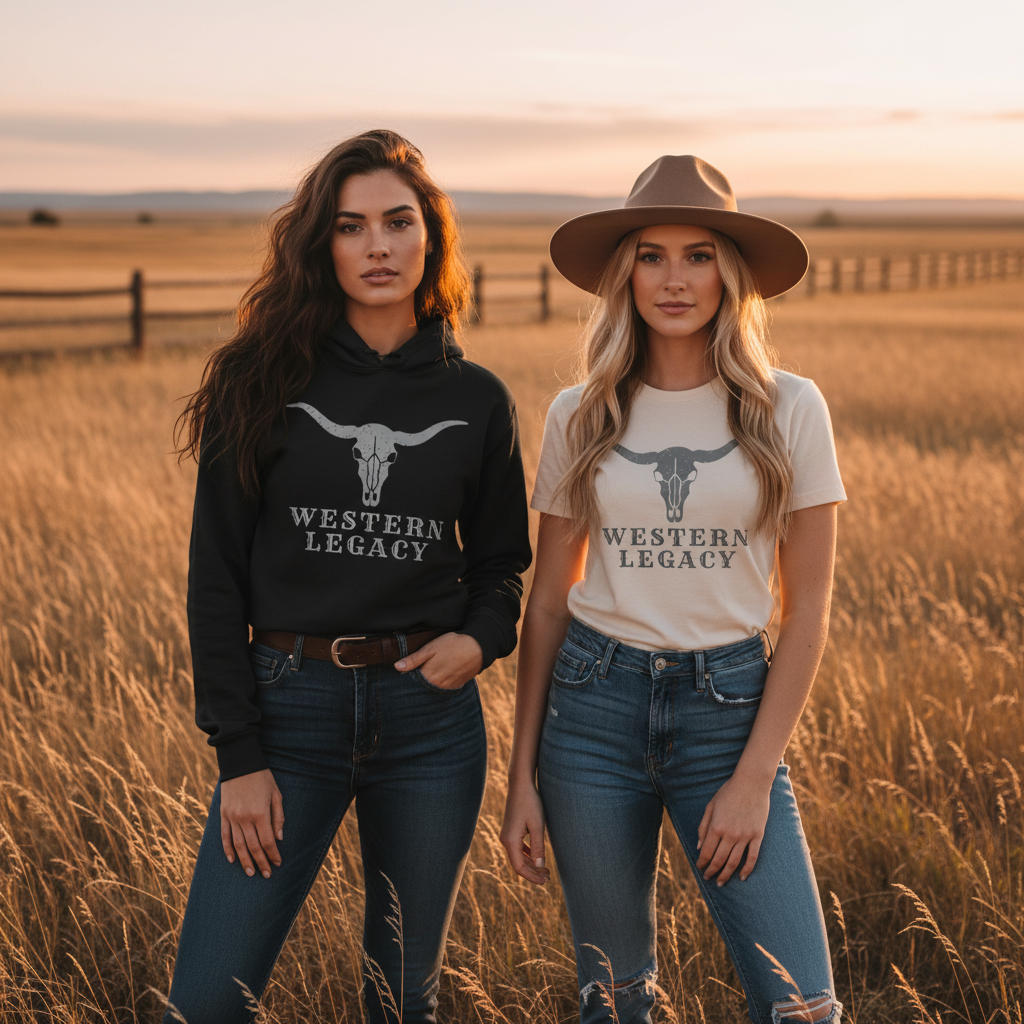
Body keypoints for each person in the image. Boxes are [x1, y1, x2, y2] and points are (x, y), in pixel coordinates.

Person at [166, 129, 531, 1024]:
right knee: (207, 1001)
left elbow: (501, 565)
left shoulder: (473, 396)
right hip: (288, 713)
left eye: (398, 223)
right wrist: (239, 755)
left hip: (429, 724)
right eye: (351, 226)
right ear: (320, 245)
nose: (378, 246)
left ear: (430, 239)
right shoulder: (259, 379)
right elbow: (214, 576)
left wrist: (477, 643)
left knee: (402, 999)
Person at [499, 155, 846, 1024]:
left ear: (731, 272)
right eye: (651, 255)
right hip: (590, 713)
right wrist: (521, 778)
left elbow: (807, 613)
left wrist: (754, 774)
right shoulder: (580, 413)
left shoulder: (788, 408)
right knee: (614, 1002)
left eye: (698, 255)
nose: (674, 278)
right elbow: (546, 603)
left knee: (802, 1004)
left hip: (727, 711)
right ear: (626, 273)